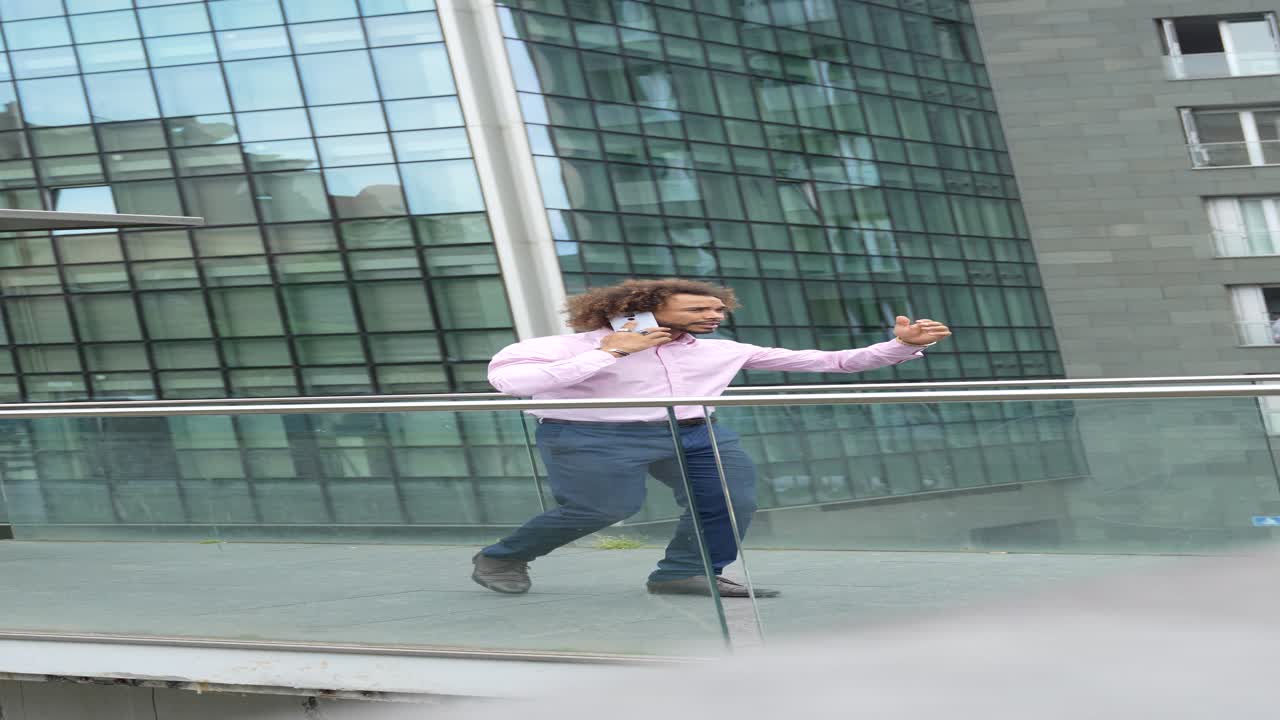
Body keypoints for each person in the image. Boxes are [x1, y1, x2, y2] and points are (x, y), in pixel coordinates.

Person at [472, 279, 951, 598]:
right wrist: (611, 351)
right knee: (603, 509)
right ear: (641, 308)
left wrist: (901, 347)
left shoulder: (722, 351)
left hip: (697, 433)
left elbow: (832, 362)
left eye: (718, 307)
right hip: (592, 436)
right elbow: (512, 385)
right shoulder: (555, 347)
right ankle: (502, 559)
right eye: (699, 308)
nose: (715, 314)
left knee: (729, 497)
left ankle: (685, 571)